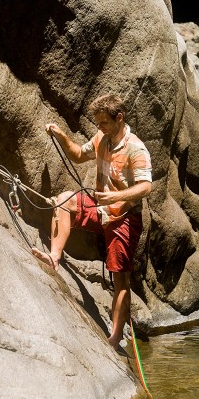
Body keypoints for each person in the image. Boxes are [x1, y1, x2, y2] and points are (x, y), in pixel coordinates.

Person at [32, 93, 152, 350]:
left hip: (125, 218)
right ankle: (54, 257)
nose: (99, 128)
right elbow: (77, 155)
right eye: (97, 123)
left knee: (120, 279)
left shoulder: (136, 149)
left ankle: (116, 335)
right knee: (65, 200)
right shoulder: (101, 138)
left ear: (119, 118)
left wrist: (116, 196)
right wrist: (61, 135)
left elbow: (145, 187)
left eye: (104, 123)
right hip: (101, 209)